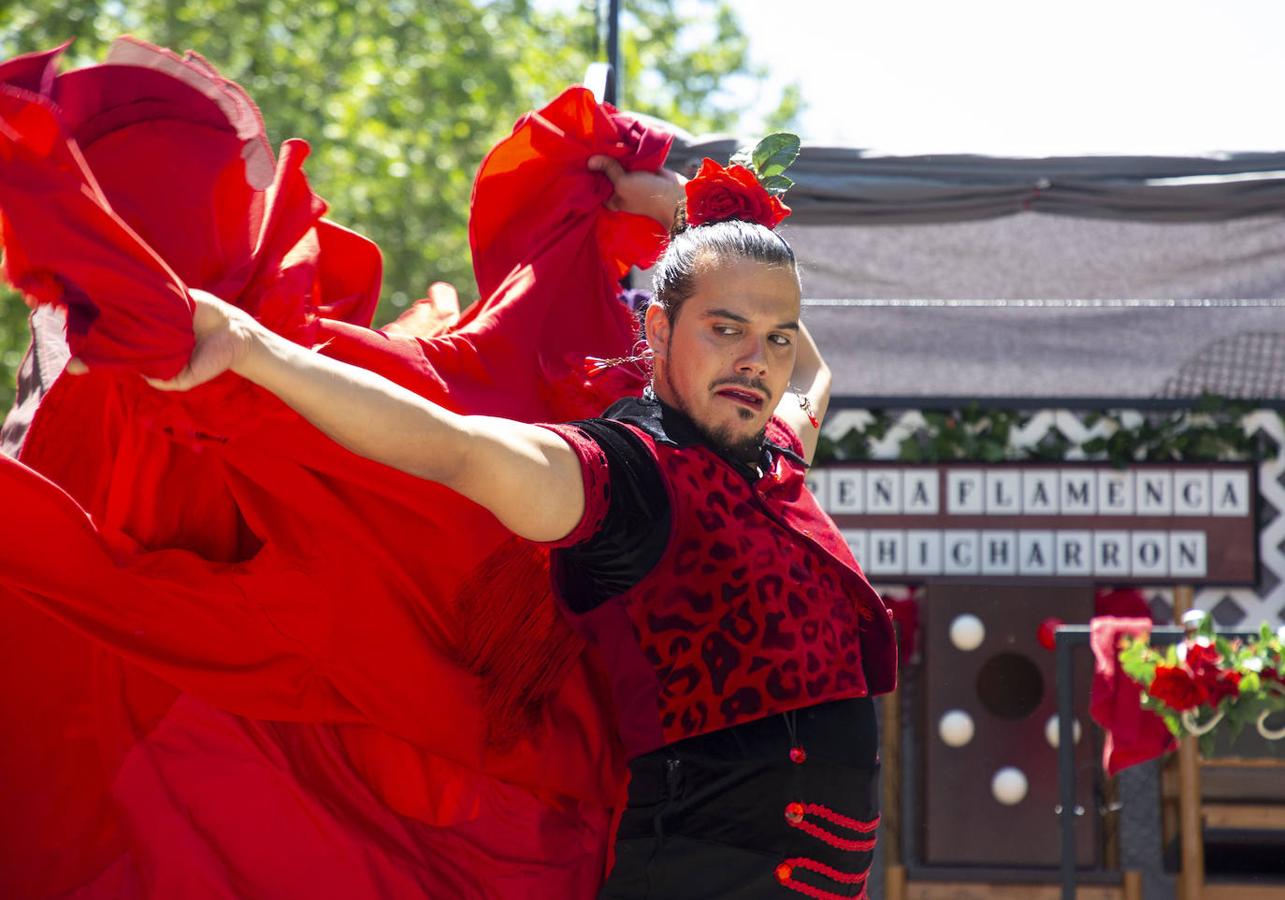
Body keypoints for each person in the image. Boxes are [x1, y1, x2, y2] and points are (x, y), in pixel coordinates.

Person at [133, 153, 898, 899]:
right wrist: (259, 350)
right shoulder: (623, 476)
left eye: (774, 336)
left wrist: (689, 216)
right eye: (725, 329)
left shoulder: (778, 456)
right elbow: (452, 447)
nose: (758, 360)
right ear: (659, 331)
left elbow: (810, 375)